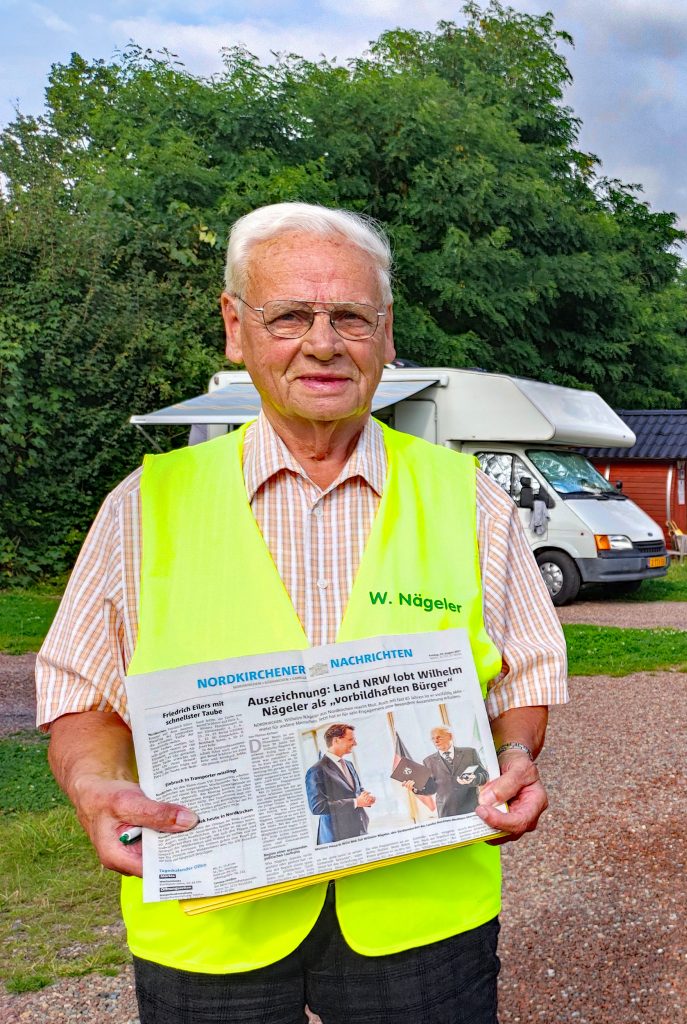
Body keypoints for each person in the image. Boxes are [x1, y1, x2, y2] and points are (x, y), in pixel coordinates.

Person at [35, 201, 568, 1024]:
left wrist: (514, 753)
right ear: (235, 327)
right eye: (289, 315)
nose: (323, 343)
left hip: (420, 927)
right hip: (212, 922)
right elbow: (81, 693)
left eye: (350, 316)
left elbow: (523, 674)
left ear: (386, 335)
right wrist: (96, 783)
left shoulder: (472, 502)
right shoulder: (145, 508)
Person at [306, 723, 375, 843]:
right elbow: (317, 807)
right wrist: (356, 802)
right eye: (350, 739)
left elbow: (356, 790)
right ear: (336, 740)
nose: (355, 743)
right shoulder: (316, 771)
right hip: (336, 837)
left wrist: (366, 798)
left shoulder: (349, 764)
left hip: (360, 829)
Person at [405, 725, 490, 818]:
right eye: (433, 739)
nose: (435, 741)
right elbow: (430, 788)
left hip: (472, 807)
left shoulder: (470, 753)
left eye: (439, 737)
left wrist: (475, 778)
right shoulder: (428, 761)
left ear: (450, 736)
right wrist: (415, 788)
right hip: (446, 811)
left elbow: (484, 776)